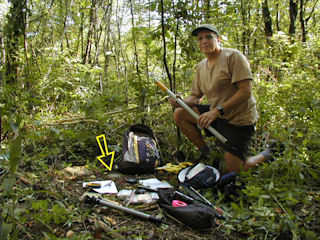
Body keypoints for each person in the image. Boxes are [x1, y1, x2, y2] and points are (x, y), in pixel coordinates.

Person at [170, 24, 280, 173]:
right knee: (180, 113)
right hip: (218, 115)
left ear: (218, 40)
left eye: (209, 37)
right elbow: (196, 97)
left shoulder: (233, 57)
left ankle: (269, 153)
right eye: (200, 38)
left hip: (239, 120)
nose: (204, 41)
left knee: (232, 171)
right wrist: (181, 102)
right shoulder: (201, 66)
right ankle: (207, 155)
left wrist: (216, 111)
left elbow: (245, 92)